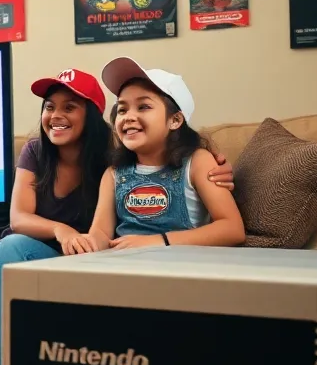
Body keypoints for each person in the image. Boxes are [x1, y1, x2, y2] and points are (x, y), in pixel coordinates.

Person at [0, 69, 236, 365]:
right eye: (50, 106)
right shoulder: (69, 159)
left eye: (69, 107)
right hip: (39, 247)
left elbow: (226, 223)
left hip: (62, 257)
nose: (56, 115)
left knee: (13, 247)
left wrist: (213, 165)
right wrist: (67, 232)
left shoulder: (113, 159)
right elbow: (29, 220)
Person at [84, 57, 246, 251]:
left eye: (143, 106)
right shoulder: (114, 173)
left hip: (180, 267)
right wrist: (86, 243)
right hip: (124, 267)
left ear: (175, 120)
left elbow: (232, 229)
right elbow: (101, 233)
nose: (128, 117)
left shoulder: (198, 162)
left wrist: (158, 241)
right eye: (122, 109)